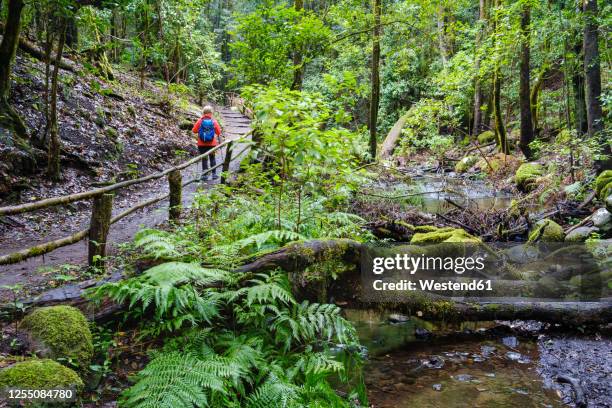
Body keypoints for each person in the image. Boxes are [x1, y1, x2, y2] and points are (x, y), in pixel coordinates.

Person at [192, 105, 223, 181]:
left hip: (201, 144)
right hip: (212, 144)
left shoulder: (200, 121)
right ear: (211, 112)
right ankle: (214, 174)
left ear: (203, 112)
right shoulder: (213, 121)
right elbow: (219, 132)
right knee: (212, 158)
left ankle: (205, 175)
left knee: (204, 159)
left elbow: (194, 130)